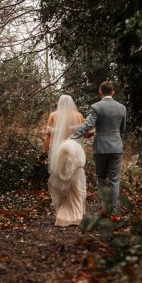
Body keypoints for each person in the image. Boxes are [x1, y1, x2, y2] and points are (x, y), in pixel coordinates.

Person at [71, 81, 127, 219]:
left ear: (100, 92)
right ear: (113, 92)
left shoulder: (97, 107)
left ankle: (104, 209)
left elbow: (88, 126)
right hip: (116, 147)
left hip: (101, 148)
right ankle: (113, 212)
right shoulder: (122, 108)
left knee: (101, 178)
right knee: (114, 180)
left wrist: (72, 137)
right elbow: (123, 130)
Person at [45, 94, 87, 227]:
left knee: (61, 181)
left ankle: (63, 215)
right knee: (75, 180)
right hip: (74, 150)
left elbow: (49, 135)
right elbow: (85, 132)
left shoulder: (53, 115)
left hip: (60, 151)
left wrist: (46, 151)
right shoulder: (78, 115)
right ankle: (77, 215)